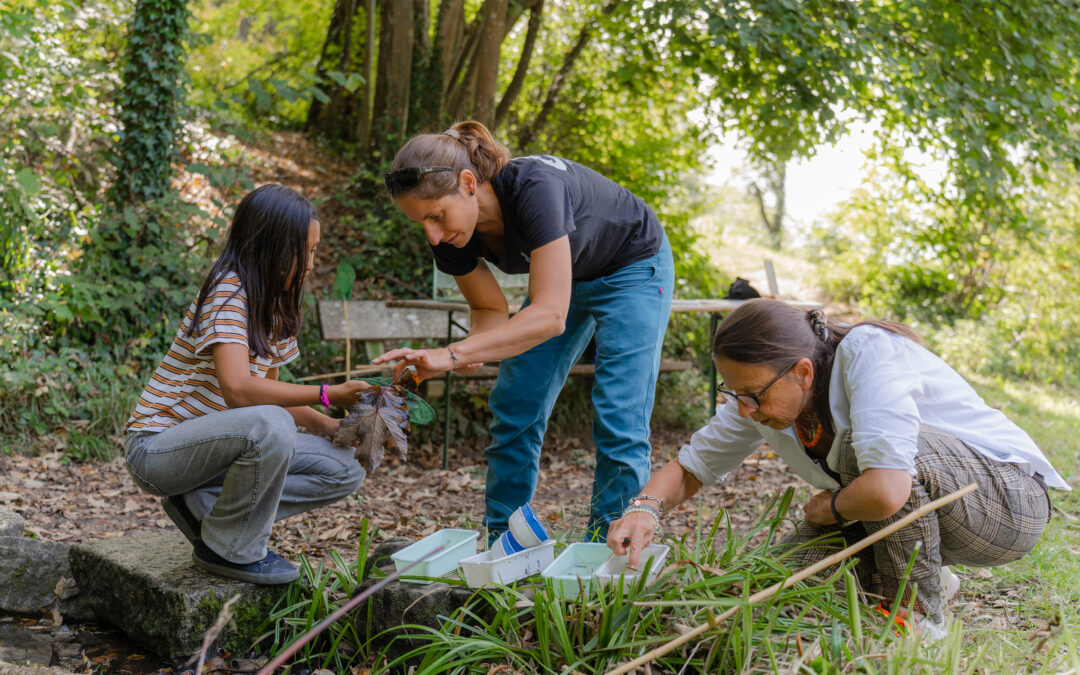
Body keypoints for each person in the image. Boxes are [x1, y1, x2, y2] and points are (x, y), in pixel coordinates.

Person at [608, 299, 1066, 635]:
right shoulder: (759, 399)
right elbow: (691, 468)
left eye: (752, 395)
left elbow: (887, 489)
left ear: (802, 373)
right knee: (771, 586)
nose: (744, 409)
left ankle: (920, 620)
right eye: (733, 394)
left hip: (1006, 504)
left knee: (872, 459)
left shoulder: (868, 353)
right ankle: (927, 575)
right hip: (909, 510)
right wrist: (644, 508)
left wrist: (833, 510)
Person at [373, 120, 675, 541]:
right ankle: (507, 544)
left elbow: (550, 315)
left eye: (437, 216)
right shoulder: (447, 235)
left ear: (468, 183)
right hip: (564, 280)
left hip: (632, 266)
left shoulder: (536, 188)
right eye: (421, 222)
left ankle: (607, 553)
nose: (433, 234)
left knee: (619, 412)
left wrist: (453, 353)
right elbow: (488, 307)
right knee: (515, 402)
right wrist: (466, 349)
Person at [124, 184, 371, 584]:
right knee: (271, 425)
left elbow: (270, 394)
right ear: (269, 246)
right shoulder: (228, 290)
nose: (311, 263)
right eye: (302, 251)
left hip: (217, 454)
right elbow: (239, 390)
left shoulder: (276, 304)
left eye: (314, 251)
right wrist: (329, 394)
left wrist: (334, 428)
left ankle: (206, 506)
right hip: (157, 449)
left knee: (345, 468)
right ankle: (231, 549)